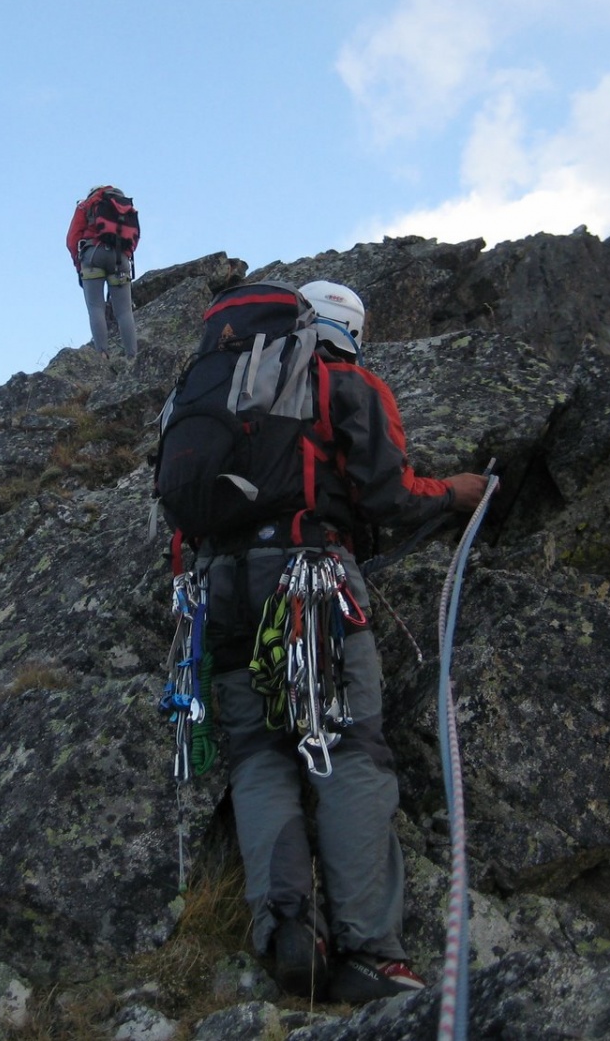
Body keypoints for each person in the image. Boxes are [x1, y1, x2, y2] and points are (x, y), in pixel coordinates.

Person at [198, 279, 488, 1004]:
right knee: (347, 746)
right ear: (351, 328)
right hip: (312, 580)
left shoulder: (221, 395)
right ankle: (368, 951)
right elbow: (387, 493)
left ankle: (288, 931)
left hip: (220, 590)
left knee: (261, 757)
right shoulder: (347, 382)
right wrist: (454, 493)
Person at [66, 185, 140, 359]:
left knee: (96, 307)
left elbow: (72, 239)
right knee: (124, 312)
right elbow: (134, 237)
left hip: (93, 255)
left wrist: (79, 265)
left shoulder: (86, 206)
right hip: (120, 259)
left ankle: (102, 355)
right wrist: (125, 256)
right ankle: (132, 357)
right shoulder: (127, 207)